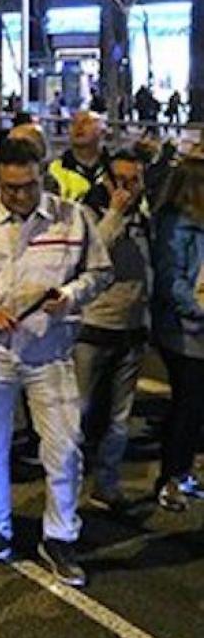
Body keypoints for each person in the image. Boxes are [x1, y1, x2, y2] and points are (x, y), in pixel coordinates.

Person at [0, 138, 111, 587]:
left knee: (64, 447)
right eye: (9, 187)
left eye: (28, 186)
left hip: (51, 351)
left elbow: (100, 271)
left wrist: (72, 295)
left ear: (43, 175)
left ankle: (59, 535)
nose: (19, 196)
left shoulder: (72, 217)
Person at [73, 150, 152, 511]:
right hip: (93, 328)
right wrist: (115, 212)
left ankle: (107, 483)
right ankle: (67, 487)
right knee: (78, 414)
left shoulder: (145, 215)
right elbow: (93, 254)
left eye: (134, 180)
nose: (127, 188)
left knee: (119, 420)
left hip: (132, 329)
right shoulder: (88, 214)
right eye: (119, 180)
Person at [150, 155, 204, 511]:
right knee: (188, 405)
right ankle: (170, 477)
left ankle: (181, 472)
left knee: (194, 406)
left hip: (194, 329)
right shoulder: (176, 227)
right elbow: (172, 281)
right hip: (183, 332)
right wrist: (198, 310)